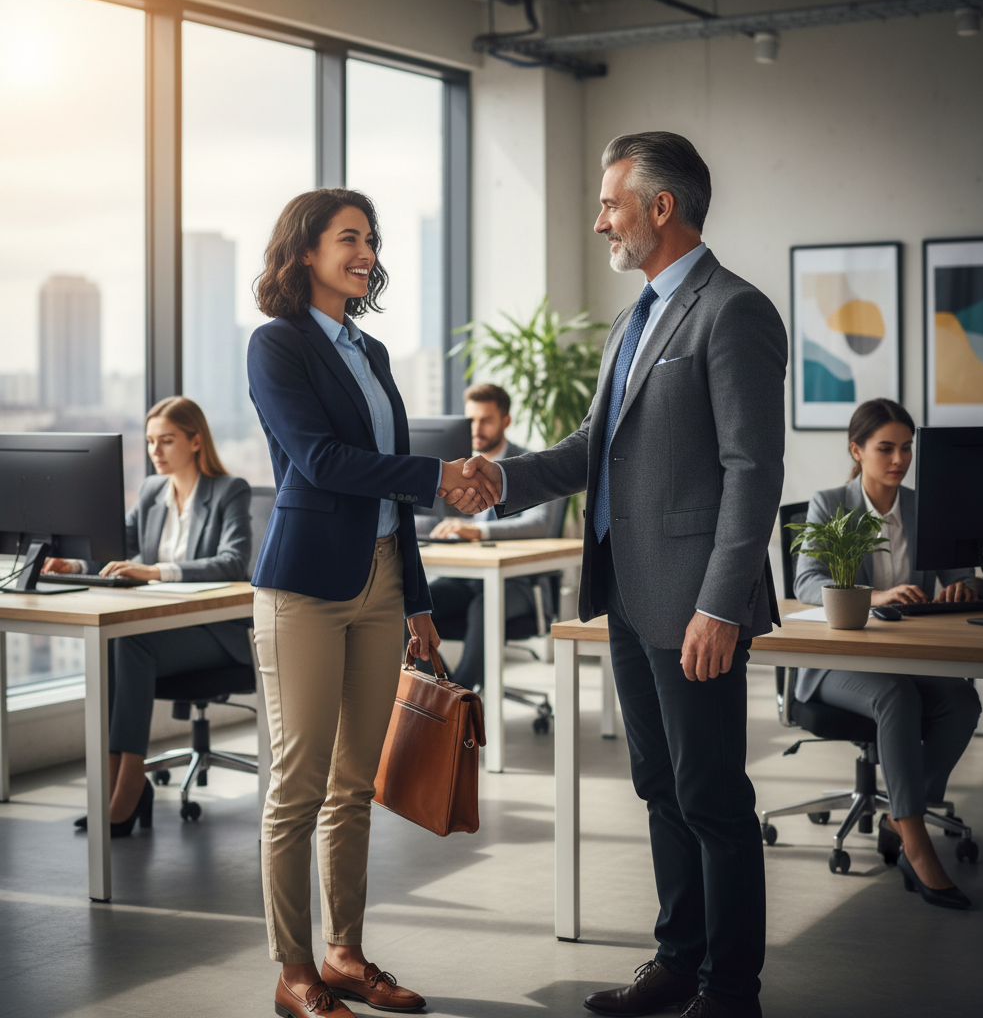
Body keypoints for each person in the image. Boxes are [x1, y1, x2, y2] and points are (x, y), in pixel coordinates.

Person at [461, 132, 786, 1018]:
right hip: (630, 596)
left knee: (713, 797)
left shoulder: (733, 311)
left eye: (610, 203)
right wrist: (501, 479)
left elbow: (753, 471)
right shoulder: (634, 318)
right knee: (659, 788)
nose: (598, 218)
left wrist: (722, 603)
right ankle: (678, 960)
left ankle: (731, 991)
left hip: (695, 605)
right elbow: (590, 450)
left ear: (661, 207)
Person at [247, 188, 498, 1018]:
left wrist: (418, 598)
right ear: (305, 252)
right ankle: (294, 973)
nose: (366, 251)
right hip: (307, 587)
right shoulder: (276, 345)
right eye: (348, 237)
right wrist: (436, 476)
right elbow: (319, 460)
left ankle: (345, 954)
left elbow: (387, 496)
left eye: (372, 239)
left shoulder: (373, 351)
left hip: (386, 576)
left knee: (355, 780)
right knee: (299, 784)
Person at [793, 397, 983, 910]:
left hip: (905, 658)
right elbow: (807, 582)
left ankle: (899, 817)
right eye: (885, 448)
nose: (899, 459)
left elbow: (966, 574)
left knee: (963, 702)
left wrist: (964, 587)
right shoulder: (830, 503)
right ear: (857, 450)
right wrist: (875, 597)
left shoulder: (926, 506)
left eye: (906, 448)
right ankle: (917, 844)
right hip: (839, 663)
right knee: (896, 697)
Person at [42, 396, 252, 837]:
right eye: (151, 441)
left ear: (196, 441)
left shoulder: (229, 490)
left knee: (130, 641)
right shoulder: (154, 491)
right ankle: (119, 780)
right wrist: (76, 565)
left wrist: (156, 570)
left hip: (218, 632)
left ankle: (130, 783)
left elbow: (234, 562)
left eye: (167, 441)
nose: (156, 451)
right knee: (114, 641)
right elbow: (117, 546)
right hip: (167, 629)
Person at [414, 382, 559, 690]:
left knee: (485, 605)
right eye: (471, 420)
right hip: (464, 579)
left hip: (518, 584)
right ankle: (445, 695)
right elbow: (437, 522)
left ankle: (463, 701)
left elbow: (541, 524)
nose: (476, 428)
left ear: (505, 421)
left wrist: (477, 530)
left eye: (486, 419)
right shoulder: (457, 467)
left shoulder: (527, 463)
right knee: (413, 606)